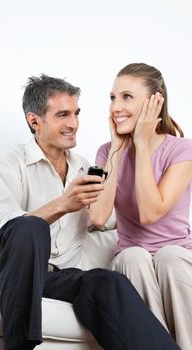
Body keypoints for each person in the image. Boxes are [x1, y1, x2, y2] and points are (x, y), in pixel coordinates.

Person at [0, 74, 180, 350]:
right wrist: (62, 204)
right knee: (28, 227)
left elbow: (110, 220)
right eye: (62, 115)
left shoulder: (86, 170)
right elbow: (4, 231)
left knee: (107, 281)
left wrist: (124, 152)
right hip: (2, 273)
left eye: (76, 113)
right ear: (34, 121)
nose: (73, 124)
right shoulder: (9, 164)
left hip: (53, 279)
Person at [89, 62, 192, 350]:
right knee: (134, 256)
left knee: (169, 256)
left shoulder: (183, 150)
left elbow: (150, 212)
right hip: (131, 258)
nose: (115, 107)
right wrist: (117, 150)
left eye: (126, 97)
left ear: (154, 103)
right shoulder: (106, 152)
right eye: (113, 97)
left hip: (179, 257)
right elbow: (98, 217)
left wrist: (143, 145)